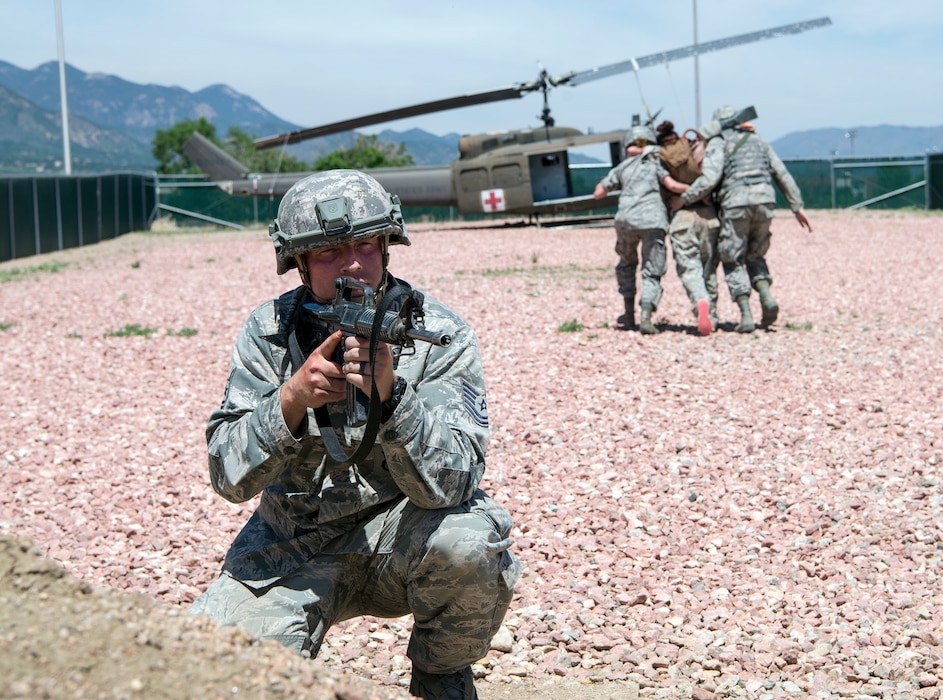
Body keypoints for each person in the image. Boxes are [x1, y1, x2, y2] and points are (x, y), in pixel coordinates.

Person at [190, 169, 520, 700]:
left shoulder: (437, 334)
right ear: (297, 263)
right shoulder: (269, 332)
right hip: (291, 544)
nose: (350, 264)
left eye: (365, 244)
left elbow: (456, 481)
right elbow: (227, 476)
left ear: (388, 245)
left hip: (402, 533)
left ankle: (442, 674)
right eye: (326, 252)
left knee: (472, 543)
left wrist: (391, 395)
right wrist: (291, 400)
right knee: (210, 670)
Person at [672, 105, 812, 333]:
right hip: (765, 201)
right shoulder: (759, 141)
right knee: (756, 254)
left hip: (735, 203)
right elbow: (781, 173)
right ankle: (766, 296)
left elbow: (710, 179)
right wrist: (797, 207)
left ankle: (746, 315)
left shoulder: (719, 144)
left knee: (732, 258)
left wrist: (684, 199)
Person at [593, 124, 668, 335]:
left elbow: (598, 193)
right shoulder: (657, 164)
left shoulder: (622, 168)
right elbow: (670, 185)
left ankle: (628, 313)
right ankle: (646, 316)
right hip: (653, 221)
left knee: (627, 263)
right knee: (652, 269)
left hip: (625, 221)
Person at [656, 120, 719, 335]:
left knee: (690, 268)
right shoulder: (696, 148)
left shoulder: (660, 158)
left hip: (682, 214)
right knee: (709, 267)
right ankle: (714, 315)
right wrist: (702, 192)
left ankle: (700, 302)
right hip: (709, 214)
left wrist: (684, 196)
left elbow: (671, 186)